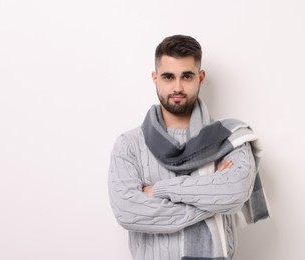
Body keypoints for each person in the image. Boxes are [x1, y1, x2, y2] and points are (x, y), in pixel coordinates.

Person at [108, 35, 269, 260]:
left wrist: (158, 191)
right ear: (155, 78)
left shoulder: (230, 138)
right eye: (168, 77)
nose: (177, 87)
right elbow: (128, 212)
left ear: (200, 78)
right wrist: (213, 199)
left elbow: (235, 192)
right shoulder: (129, 144)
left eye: (186, 76)